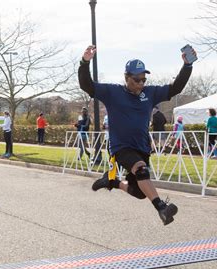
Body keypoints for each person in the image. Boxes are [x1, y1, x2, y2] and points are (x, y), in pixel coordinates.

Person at [79, 45, 196, 225]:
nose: (141, 83)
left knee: (140, 191)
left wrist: (187, 66)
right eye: (136, 80)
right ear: (126, 78)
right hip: (121, 146)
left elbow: (175, 89)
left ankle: (111, 182)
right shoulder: (113, 92)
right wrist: (85, 62)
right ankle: (161, 208)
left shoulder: (149, 93)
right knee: (141, 170)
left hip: (142, 146)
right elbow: (86, 85)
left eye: (143, 79)